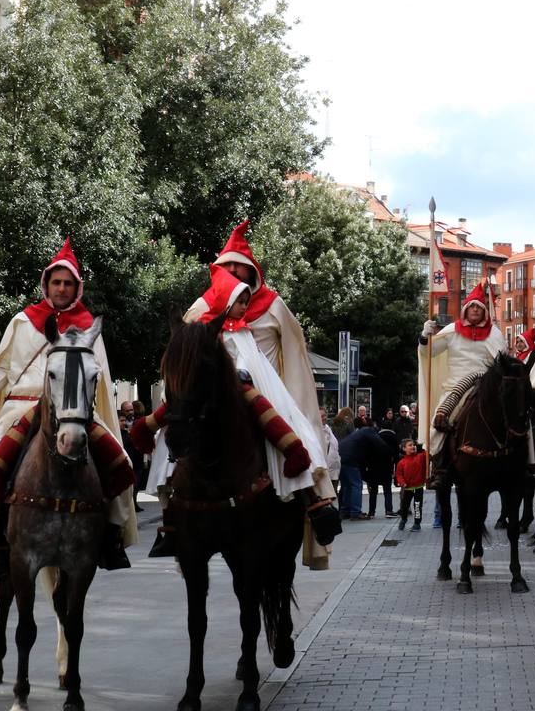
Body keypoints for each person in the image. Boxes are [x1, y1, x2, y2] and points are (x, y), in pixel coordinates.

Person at [0, 240, 136, 578]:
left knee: (123, 465)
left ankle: (110, 537)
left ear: (77, 287)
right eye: (56, 282)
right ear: (46, 284)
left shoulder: (88, 326)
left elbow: (98, 377)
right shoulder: (23, 321)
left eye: (68, 283)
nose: (61, 288)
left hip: (73, 410)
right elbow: (3, 369)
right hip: (22, 406)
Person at [137, 264, 338, 554]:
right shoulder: (203, 320)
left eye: (246, 297)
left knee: (274, 415)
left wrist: (236, 376)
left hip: (246, 387)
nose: (245, 305)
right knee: (181, 411)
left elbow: (254, 360)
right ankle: (170, 508)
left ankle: (309, 488)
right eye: (239, 297)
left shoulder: (250, 326)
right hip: (206, 392)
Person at [183, 221, 336, 568]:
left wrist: (295, 403)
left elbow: (295, 356)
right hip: (214, 394)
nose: (235, 275)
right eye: (229, 269)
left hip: (265, 388)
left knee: (297, 440)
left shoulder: (273, 306)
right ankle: (173, 518)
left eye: (241, 269)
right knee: (174, 441)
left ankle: (315, 501)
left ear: (252, 272)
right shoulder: (201, 308)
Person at [417, 283, 506, 490]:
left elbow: (502, 363)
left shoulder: (495, 334)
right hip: (456, 387)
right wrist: (425, 335)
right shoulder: (450, 330)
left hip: (487, 386)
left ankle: (527, 463)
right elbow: (428, 352)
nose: (475, 310)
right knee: (438, 423)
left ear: (484, 310)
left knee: (517, 417)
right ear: (466, 309)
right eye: (472, 307)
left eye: (479, 307)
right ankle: (439, 469)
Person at [337, 425, 393, 519]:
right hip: (351, 458)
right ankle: (355, 512)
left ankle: (345, 511)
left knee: (347, 486)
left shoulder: (357, 434)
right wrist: (390, 452)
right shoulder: (369, 432)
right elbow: (380, 444)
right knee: (356, 485)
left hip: (340, 457)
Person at [364, 428, 398, 518]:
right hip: (386, 470)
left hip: (373, 470)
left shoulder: (372, 444)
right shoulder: (390, 445)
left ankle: (371, 512)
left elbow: (366, 458)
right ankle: (389, 511)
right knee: (387, 491)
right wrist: (393, 470)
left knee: (373, 492)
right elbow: (394, 458)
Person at [394, 438, 426, 531]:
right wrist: (402, 483)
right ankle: (403, 519)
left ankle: (417, 523)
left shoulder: (420, 457)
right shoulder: (401, 462)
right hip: (407, 488)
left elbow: (427, 453)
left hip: (419, 487)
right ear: (404, 449)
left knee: (417, 506)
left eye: (413, 445)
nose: (413, 446)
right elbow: (398, 474)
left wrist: (425, 445)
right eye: (410, 445)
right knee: (404, 506)